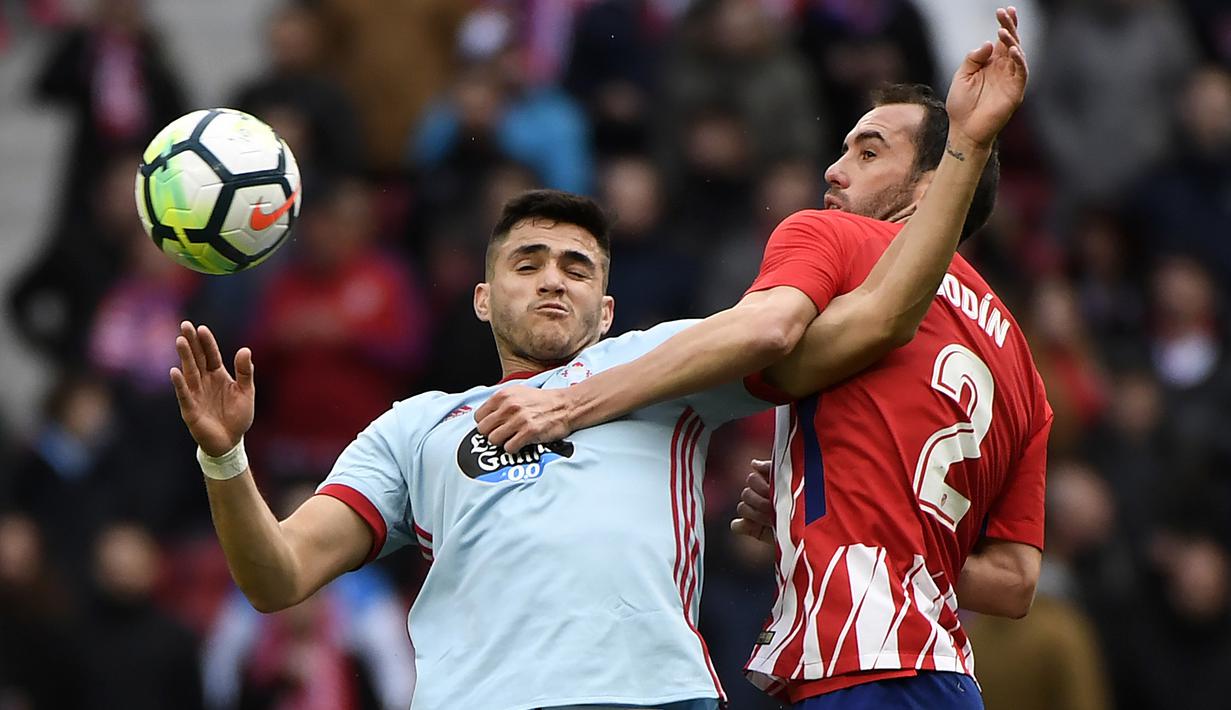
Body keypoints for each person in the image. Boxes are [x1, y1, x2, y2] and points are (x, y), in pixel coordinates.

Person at [170, 147, 1006, 710]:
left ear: (605, 311)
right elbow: (277, 577)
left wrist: (961, 156)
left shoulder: (665, 363)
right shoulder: (414, 427)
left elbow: (869, 325)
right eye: (525, 264)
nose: (550, 282)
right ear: (482, 297)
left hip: (649, 695)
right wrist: (224, 455)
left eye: (576, 269)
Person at [476, 8, 1041, 709]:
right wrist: (829, 523)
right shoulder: (1018, 358)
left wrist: (565, 402)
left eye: (867, 153)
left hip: (856, 663)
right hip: (947, 676)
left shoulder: (835, 237)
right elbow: (1013, 583)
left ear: (929, 189)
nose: (832, 170)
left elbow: (764, 332)